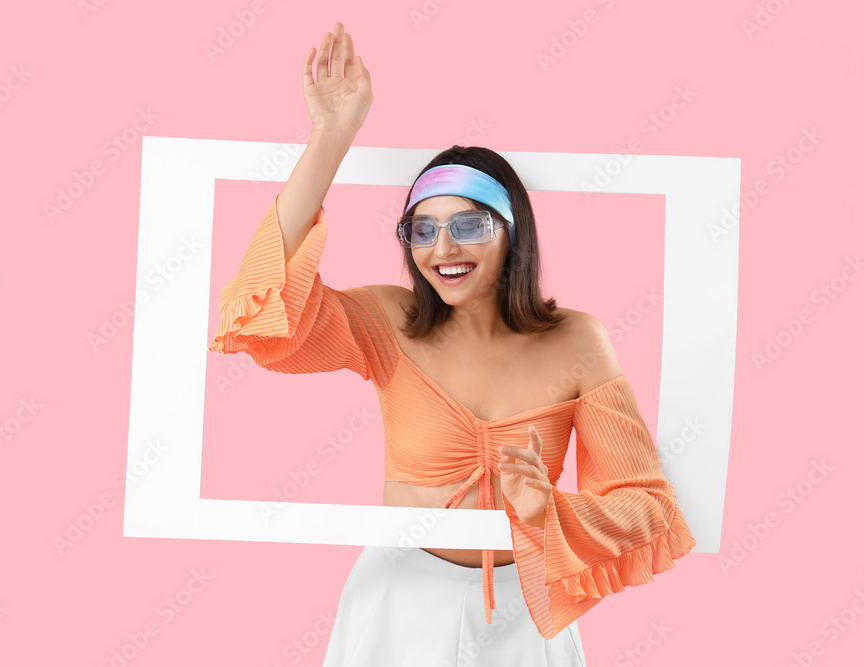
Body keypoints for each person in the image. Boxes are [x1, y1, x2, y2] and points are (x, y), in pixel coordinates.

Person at [208, 21, 697, 667]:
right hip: (395, 599)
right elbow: (262, 309)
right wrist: (331, 137)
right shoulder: (391, 319)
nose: (443, 249)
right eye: (422, 229)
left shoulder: (578, 338)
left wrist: (551, 506)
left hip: (526, 607)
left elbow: (647, 503)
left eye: (468, 224)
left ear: (513, 234)